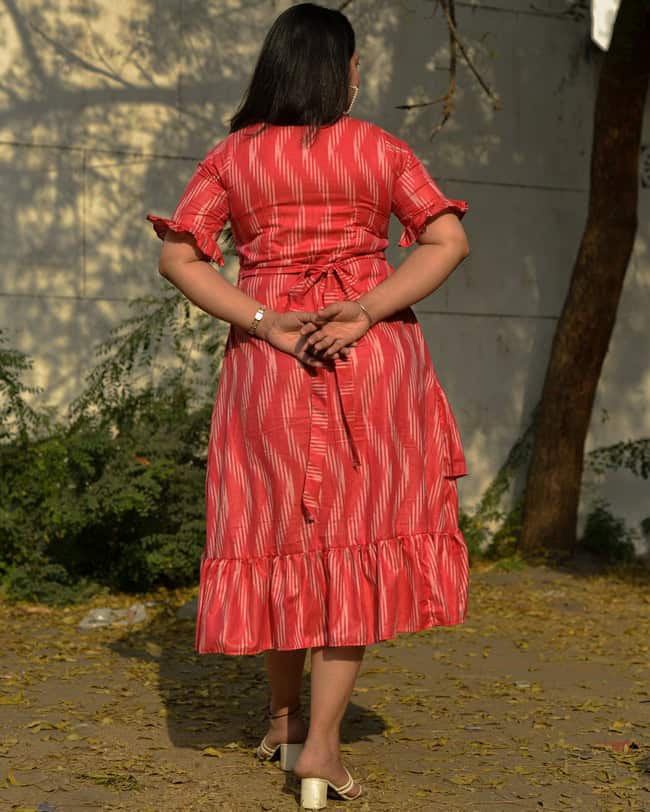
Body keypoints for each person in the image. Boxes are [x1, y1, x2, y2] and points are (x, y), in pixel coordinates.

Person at [146, 3, 471, 808]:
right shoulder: (381, 149)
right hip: (370, 357)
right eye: (355, 64)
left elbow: (180, 257)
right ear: (342, 71)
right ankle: (320, 748)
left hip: (272, 365)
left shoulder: (233, 157)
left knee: (280, 534)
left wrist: (264, 319)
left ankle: (285, 719)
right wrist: (367, 308)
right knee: (354, 539)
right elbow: (447, 240)